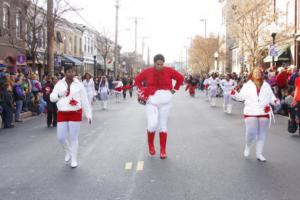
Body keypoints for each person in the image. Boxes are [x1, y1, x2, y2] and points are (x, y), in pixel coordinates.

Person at [135, 54, 184, 159]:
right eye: (158, 64)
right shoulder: (148, 71)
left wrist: (174, 90)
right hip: (151, 101)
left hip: (166, 101)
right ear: (154, 63)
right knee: (152, 124)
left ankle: (163, 150)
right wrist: (142, 90)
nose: (160, 66)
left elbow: (180, 78)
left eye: (162, 64)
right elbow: (137, 80)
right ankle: (151, 145)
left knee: (163, 125)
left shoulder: (169, 70)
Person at [231, 67, 279, 162]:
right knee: (251, 133)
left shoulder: (266, 85)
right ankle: (248, 146)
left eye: (259, 72)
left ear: (261, 74)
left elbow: (271, 97)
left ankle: (259, 154)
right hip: (250, 111)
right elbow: (241, 97)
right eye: (255, 72)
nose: (257, 74)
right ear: (252, 74)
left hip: (263, 112)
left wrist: (275, 101)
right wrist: (234, 94)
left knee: (262, 134)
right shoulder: (247, 85)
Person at [50, 66, 92, 168]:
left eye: (72, 71)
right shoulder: (59, 84)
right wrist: (60, 94)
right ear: (65, 72)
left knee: (74, 137)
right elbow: (52, 98)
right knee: (61, 137)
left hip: (75, 112)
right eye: (68, 71)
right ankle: (68, 151)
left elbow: (85, 100)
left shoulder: (79, 85)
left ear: (75, 73)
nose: (70, 73)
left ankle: (74, 159)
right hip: (62, 113)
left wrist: (88, 114)